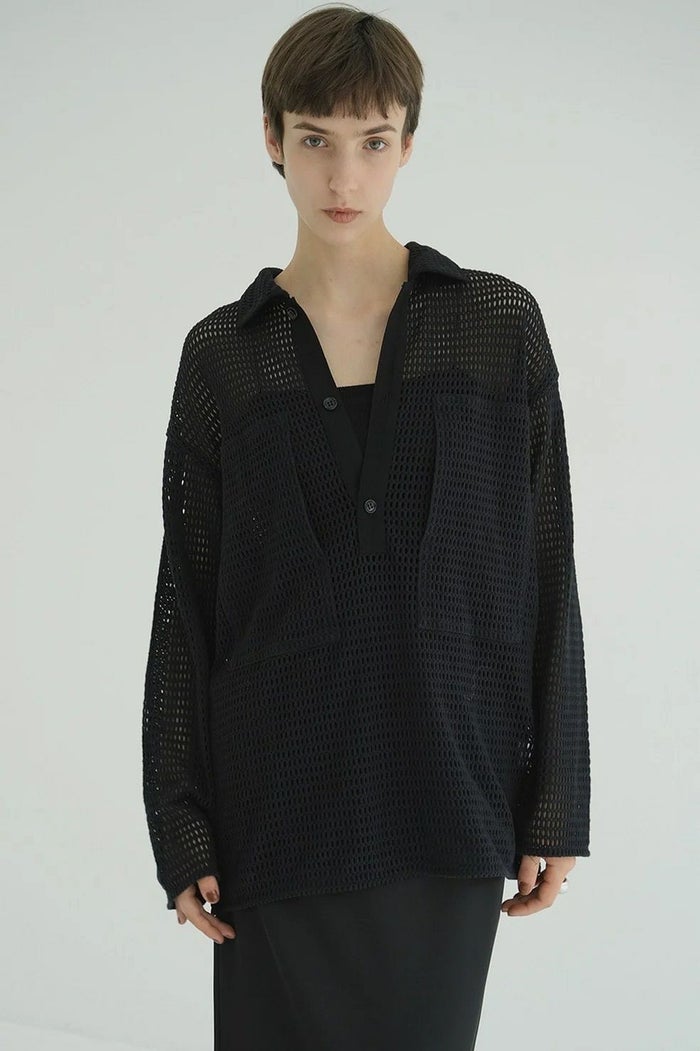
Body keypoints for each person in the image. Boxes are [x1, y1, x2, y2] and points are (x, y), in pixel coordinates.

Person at [142, 5, 591, 1049]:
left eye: (372, 142)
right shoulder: (225, 355)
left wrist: (557, 798)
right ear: (272, 139)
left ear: (408, 146)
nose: (343, 177)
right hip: (275, 809)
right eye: (315, 140)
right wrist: (179, 820)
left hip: (449, 792)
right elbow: (185, 606)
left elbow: (547, 567)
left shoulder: (494, 326)